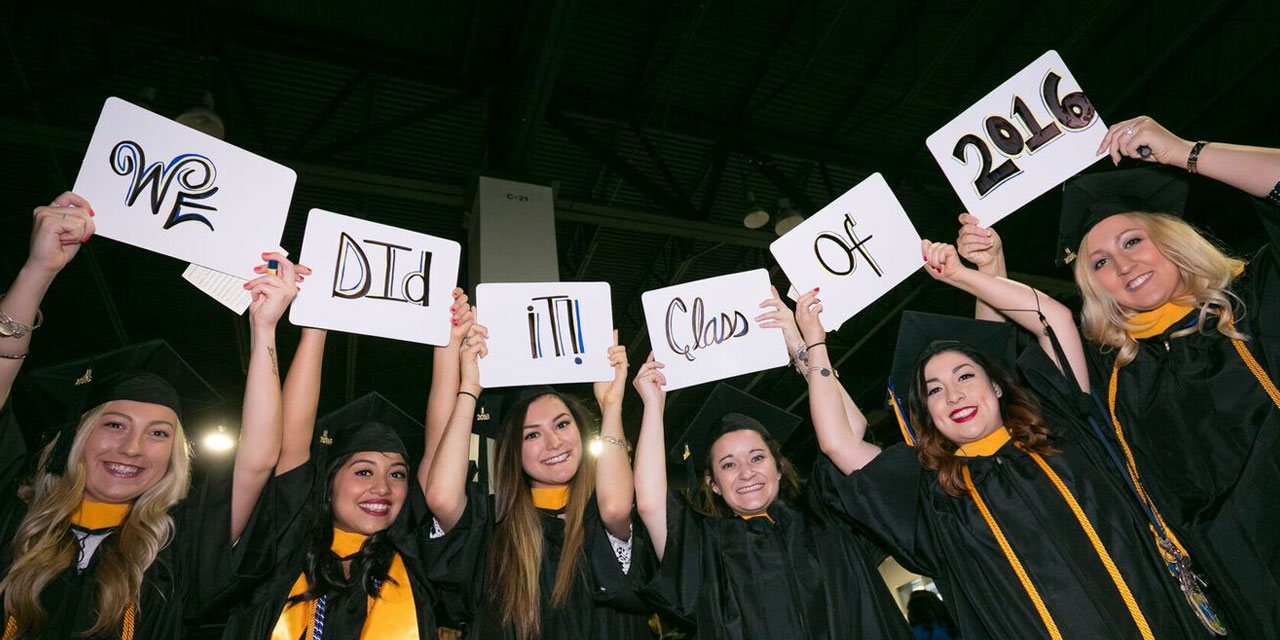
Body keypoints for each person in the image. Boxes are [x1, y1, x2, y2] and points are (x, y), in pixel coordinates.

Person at [958, 115, 1280, 636]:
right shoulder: (1110, 370)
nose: (1123, 266)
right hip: (1241, 589)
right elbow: (988, 377)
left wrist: (1186, 153)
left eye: (1133, 242)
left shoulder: (1256, 301)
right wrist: (987, 278)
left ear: (1171, 241)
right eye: (1101, 262)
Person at [803, 264, 1226, 637]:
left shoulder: (1064, 430)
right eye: (934, 391)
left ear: (997, 385)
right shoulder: (934, 497)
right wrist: (812, 346)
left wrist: (964, 275)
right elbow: (838, 442)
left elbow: (1052, 319)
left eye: (965, 376)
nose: (953, 394)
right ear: (928, 414)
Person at [0, 192, 300, 638]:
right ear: (78, 437)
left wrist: (264, 328)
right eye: (115, 424)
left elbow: (257, 460)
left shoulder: (176, 548)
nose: (133, 447)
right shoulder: (15, 519)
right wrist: (38, 270)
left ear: (173, 457)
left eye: (159, 434)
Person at [629, 289, 911, 640]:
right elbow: (651, 504)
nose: (746, 472)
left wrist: (802, 346)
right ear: (713, 483)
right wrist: (653, 407)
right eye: (728, 465)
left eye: (758, 457)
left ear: (779, 467)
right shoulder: (706, 548)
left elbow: (849, 433)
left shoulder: (825, 517)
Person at [221, 292, 472, 640]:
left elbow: (439, 451)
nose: (383, 488)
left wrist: (448, 342)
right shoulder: (287, 548)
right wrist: (316, 325)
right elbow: (291, 443)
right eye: (363, 471)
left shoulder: (415, 557)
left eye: (397, 474)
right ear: (329, 482)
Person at [425, 324, 649, 639]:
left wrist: (611, 406)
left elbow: (616, 506)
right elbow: (441, 498)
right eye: (532, 434)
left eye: (561, 424)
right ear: (512, 451)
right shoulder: (493, 526)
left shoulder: (600, 518)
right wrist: (470, 389)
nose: (554, 442)